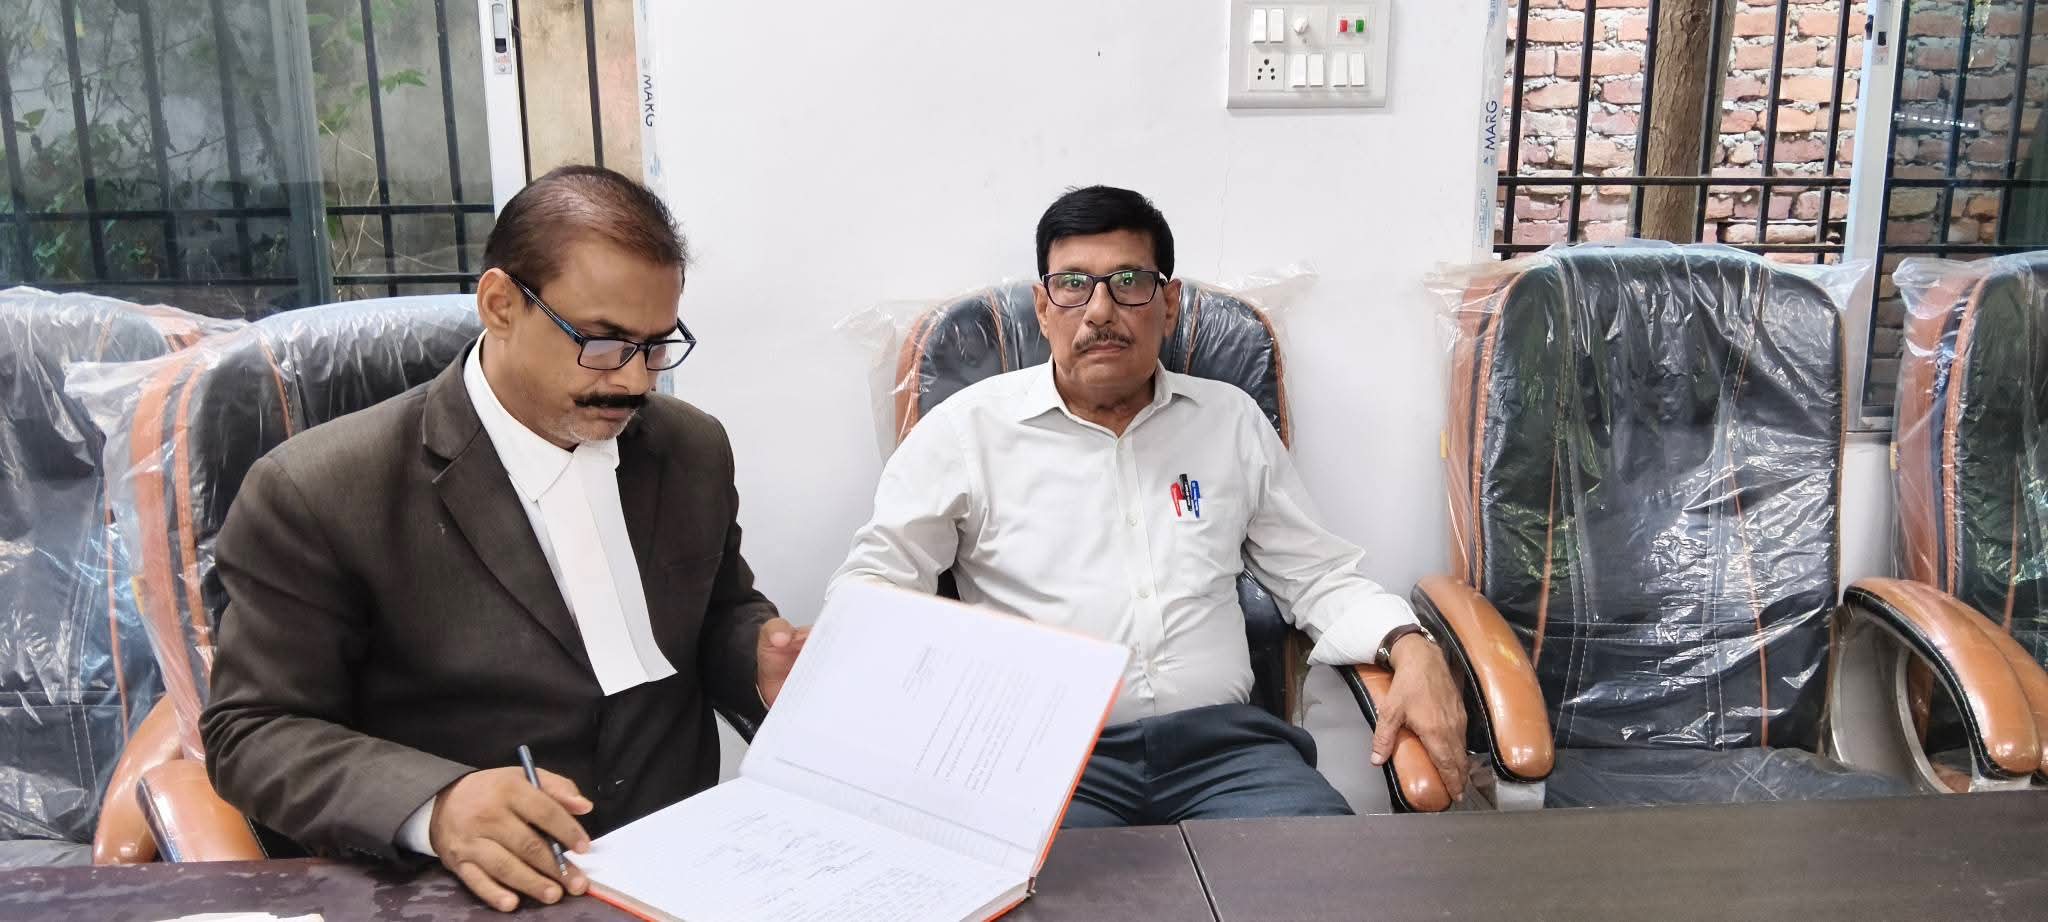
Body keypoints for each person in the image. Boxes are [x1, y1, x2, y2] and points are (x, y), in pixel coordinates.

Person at [202, 165, 806, 911]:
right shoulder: (319, 490)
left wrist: (758, 659)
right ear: (501, 305)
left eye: (656, 346)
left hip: (683, 870)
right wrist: (437, 806)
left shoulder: (691, 448)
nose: (635, 382)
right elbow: (253, 731)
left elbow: (716, 613)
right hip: (467, 889)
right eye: (604, 342)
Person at [830, 185, 1468, 826]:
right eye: (1073, 285)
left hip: (1228, 756)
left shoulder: (1229, 421)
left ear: (1168, 303)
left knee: (1323, 870)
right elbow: (879, 581)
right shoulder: (964, 432)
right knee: (1047, 884)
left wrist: (1409, 645)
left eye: (1129, 282)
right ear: (1043, 308)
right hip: (1041, 759)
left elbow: (1317, 576)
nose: (1100, 311)